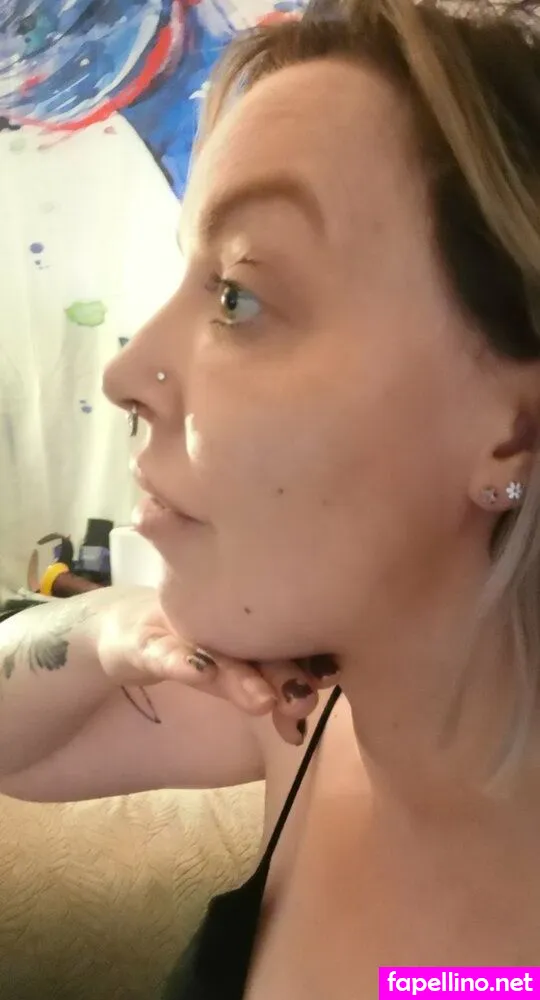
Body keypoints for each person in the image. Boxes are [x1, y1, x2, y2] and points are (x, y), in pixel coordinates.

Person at [1, 0, 540, 996]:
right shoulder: (310, 716)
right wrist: (118, 628)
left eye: (238, 295)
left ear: (511, 430)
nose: (126, 374)